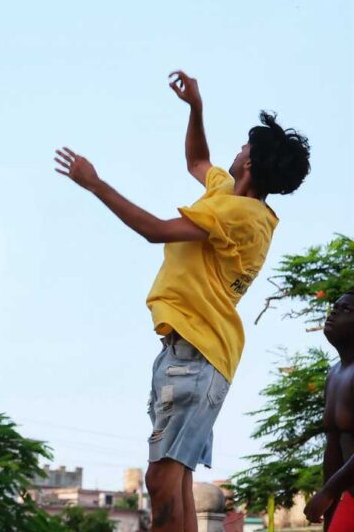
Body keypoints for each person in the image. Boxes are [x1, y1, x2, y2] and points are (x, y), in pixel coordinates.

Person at [55, 70, 311, 532]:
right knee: (176, 483)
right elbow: (197, 160)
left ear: (250, 163)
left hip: (197, 354)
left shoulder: (238, 214)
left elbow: (156, 230)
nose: (236, 152)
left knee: (162, 479)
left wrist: (95, 184)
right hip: (189, 352)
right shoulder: (230, 198)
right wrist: (196, 107)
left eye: (244, 147)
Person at [305, 291, 354, 531]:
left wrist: (327, 492)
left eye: (346, 310)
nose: (333, 312)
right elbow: (333, 446)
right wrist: (330, 506)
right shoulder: (334, 374)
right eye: (334, 307)